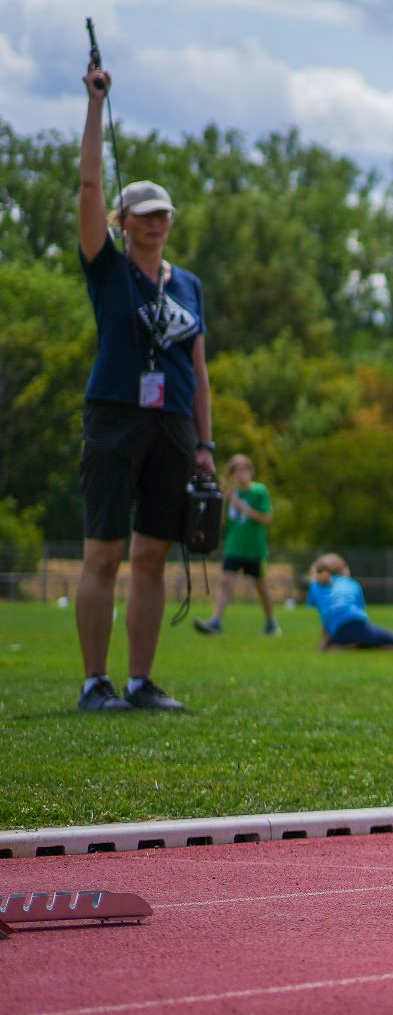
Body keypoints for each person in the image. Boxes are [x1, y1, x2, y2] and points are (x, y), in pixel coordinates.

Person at [72, 57, 213, 712]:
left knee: (153, 555)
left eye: (163, 216)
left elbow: (200, 371)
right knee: (104, 551)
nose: (155, 224)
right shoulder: (107, 269)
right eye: (144, 214)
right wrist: (97, 104)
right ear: (125, 222)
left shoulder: (187, 286)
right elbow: (90, 185)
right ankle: (95, 682)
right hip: (115, 416)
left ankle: (139, 681)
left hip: (174, 424)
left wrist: (206, 444)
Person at [196, 453, 278, 637]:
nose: (241, 475)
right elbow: (223, 523)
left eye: (244, 470)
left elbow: (266, 518)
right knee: (225, 582)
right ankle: (216, 621)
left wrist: (241, 505)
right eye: (236, 471)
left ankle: (271, 622)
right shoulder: (231, 494)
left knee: (260, 586)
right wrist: (223, 503)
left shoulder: (259, 491)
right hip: (233, 546)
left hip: (254, 548)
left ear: (251, 471)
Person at [308, 554, 393, 651]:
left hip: (337, 633)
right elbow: (357, 610)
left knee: (357, 637)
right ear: (344, 569)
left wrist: (325, 639)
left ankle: (343, 644)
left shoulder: (315, 586)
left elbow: (325, 615)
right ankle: (350, 646)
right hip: (358, 627)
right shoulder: (352, 583)